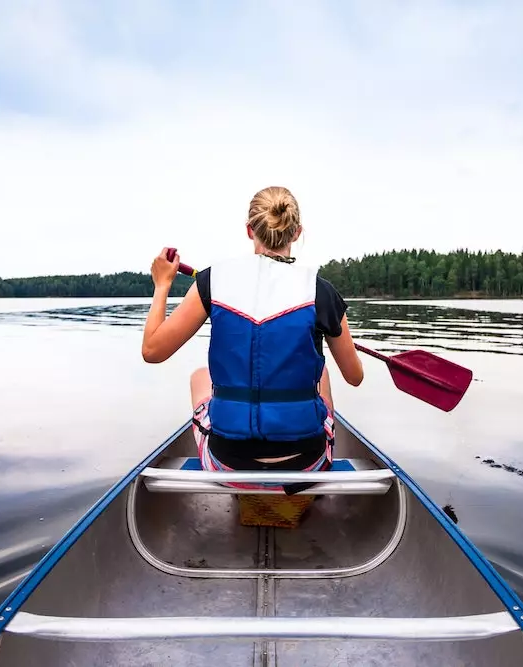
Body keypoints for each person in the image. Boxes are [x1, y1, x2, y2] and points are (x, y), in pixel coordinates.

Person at [141, 186, 364, 491]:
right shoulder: (321, 291)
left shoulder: (211, 281)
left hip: (227, 464)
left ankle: (243, 484)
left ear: (249, 231)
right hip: (305, 464)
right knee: (322, 373)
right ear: (296, 233)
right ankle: (305, 490)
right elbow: (354, 377)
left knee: (199, 377)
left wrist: (162, 284)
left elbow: (152, 350)